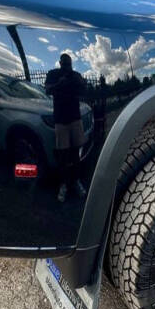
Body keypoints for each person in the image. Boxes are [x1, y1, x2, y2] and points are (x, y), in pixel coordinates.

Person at [45, 53, 87, 202]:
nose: (67, 67)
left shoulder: (75, 75)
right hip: (61, 120)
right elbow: (47, 90)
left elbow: (84, 90)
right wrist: (59, 84)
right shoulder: (53, 74)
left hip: (75, 118)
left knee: (75, 153)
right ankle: (63, 184)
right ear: (60, 63)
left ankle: (76, 181)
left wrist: (81, 82)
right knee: (62, 155)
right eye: (64, 64)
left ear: (71, 64)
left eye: (69, 64)